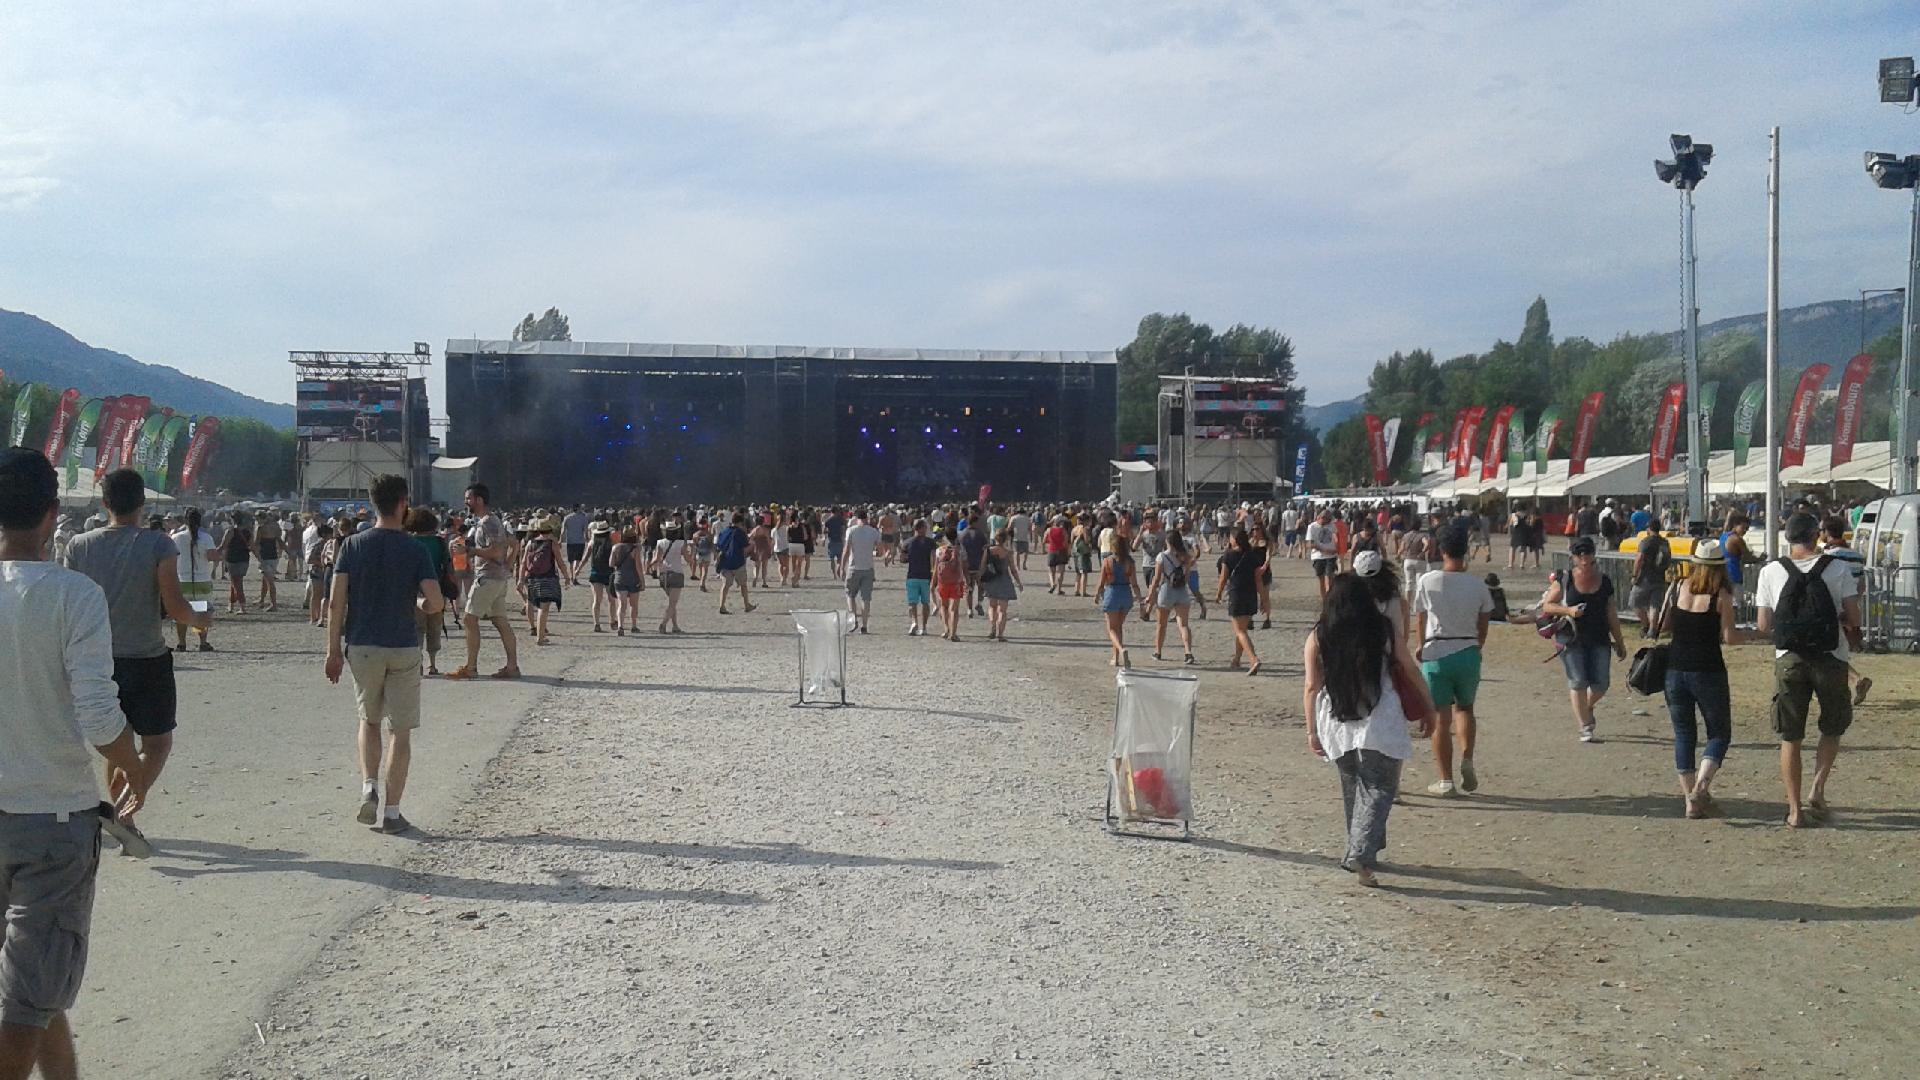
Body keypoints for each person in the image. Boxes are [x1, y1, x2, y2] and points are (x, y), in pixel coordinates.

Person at [0, 448, 155, 1079]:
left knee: (37, 987)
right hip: (52, 817)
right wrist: (131, 765)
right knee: (30, 995)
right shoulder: (73, 595)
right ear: (52, 515)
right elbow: (96, 711)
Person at [63, 468, 209, 850]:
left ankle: (119, 815)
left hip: (96, 659)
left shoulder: (78, 545)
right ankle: (125, 812)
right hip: (145, 657)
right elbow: (174, 606)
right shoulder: (158, 544)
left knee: (117, 742)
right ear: (142, 503)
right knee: (157, 743)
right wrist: (200, 619)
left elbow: (68, 603)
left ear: (104, 503)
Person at [324, 474, 444, 836]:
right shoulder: (415, 549)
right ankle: (392, 813)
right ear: (403, 503)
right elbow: (435, 602)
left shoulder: (351, 545)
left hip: (362, 644)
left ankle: (368, 787)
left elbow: (335, 603)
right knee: (400, 732)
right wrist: (420, 603)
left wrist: (332, 651)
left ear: (373, 503)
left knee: (369, 720)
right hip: (403, 645)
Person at [1302, 573, 1434, 888]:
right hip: (1379, 717)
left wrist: (1311, 731)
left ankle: (1361, 850)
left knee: (1354, 786)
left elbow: (1311, 686)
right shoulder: (1382, 629)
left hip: (1337, 719)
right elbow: (1410, 669)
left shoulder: (1319, 634)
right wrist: (1429, 706)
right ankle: (1361, 853)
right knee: (1379, 786)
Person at [1755, 513, 1863, 828]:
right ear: (1817, 535)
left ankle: (1794, 809)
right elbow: (1854, 618)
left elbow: (1763, 624)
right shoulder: (1838, 568)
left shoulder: (1770, 571)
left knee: (1791, 736)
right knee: (1832, 726)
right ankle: (1817, 788)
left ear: (1787, 537)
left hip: (1789, 658)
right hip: (1831, 656)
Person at [1654, 538, 1739, 819]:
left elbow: (1664, 626)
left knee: (1684, 735)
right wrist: (1759, 633)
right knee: (1719, 733)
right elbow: (1729, 637)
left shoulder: (1679, 586)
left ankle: (1689, 802)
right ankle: (1701, 787)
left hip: (1675, 668)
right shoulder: (1721, 595)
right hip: (1708, 669)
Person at [1412, 526, 1493, 797]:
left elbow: (1421, 618)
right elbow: (1484, 622)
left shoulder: (1427, 581)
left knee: (1440, 718)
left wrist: (1420, 644)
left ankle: (1445, 780)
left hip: (1437, 650)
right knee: (1466, 709)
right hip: (1467, 649)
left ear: (1441, 550)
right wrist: (1477, 646)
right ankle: (1467, 757)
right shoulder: (1478, 585)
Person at [1541, 536, 1627, 743]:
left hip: (1599, 638)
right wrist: (1568, 610)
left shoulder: (1604, 581)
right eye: (1579, 554)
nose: (1584, 557)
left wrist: (1620, 642)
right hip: (1571, 638)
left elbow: (1611, 614)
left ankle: (1586, 707)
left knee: (1601, 684)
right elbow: (1547, 606)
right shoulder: (1565, 579)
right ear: (1573, 557)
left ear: (1593, 554)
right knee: (1578, 680)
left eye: (1587, 553)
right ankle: (1585, 726)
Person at [447, 484, 521, 680]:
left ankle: (471, 667)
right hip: (496, 578)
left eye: (468, 498)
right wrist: (507, 566)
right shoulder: (488, 521)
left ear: (478, 500)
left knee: (469, 619)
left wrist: (470, 551)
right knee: (500, 621)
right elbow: (512, 544)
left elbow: (496, 551)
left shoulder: (488, 522)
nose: (466, 502)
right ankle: (512, 667)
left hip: (487, 578)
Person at [1820, 515, 1873, 705]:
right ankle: (1854, 681)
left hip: (1830, 607)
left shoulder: (1825, 557)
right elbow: (1861, 585)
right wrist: (1853, 604)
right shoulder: (1856, 556)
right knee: (1836, 650)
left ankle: (1855, 680)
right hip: (1850, 606)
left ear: (1826, 532)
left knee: (1826, 650)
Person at [1214, 526, 1263, 676]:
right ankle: (1237, 659)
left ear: (1234, 540)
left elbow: (1223, 577)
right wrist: (1264, 599)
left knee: (1240, 631)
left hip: (1236, 594)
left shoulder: (1228, 556)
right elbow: (1258, 580)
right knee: (1242, 630)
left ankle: (1253, 659)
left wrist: (1218, 593)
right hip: (1251, 595)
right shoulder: (1252, 555)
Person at [1146, 528, 1196, 664]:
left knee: (1161, 625)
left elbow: (1156, 579)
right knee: (1183, 625)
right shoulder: (1186, 557)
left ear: (1167, 541)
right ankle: (1188, 652)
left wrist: (1150, 595)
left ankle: (1158, 652)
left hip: (1166, 590)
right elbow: (1187, 578)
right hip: (1182, 591)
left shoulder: (1162, 556)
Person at [1096, 526, 1140, 668]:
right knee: (1119, 627)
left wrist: (1097, 594)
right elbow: (1134, 583)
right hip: (1126, 593)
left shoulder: (1107, 561)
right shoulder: (1130, 562)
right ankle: (1115, 658)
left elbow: (1101, 582)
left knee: (1112, 629)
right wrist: (1139, 598)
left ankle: (1121, 650)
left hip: (1112, 593)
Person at [1629, 518, 1672, 638]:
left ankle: (1646, 625)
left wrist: (1634, 575)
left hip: (1645, 578)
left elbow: (1639, 559)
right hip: (1660, 577)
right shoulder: (1664, 542)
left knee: (1634, 602)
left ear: (1648, 529)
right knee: (1654, 606)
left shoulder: (1646, 542)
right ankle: (1652, 631)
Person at [841, 508, 881, 635]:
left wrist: (841, 566)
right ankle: (864, 625)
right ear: (867, 518)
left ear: (856, 518)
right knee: (866, 598)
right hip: (868, 568)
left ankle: (853, 620)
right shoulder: (874, 532)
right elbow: (879, 551)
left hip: (854, 567)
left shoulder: (851, 530)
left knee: (850, 595)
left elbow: (846, 550)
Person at [979, 527, 1021, 642]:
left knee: (992, 606)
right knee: (1002, 610)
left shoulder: (988, 550)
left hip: (991, 580)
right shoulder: (1008, 552)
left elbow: (982, 566)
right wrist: (1018, 582)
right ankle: (1000, 634)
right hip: (1004, 581)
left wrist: (980, 580)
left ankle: (992, 628)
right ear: (1006, 539)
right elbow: (1013, 569)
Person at [650, 522, 693, 634]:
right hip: (676, 573)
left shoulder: (660, 542)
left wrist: (649, 566)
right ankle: (663, 624)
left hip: (663, 574)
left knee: (672, 603)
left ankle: (675, 626)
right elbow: (688, 559)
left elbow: (656, 559)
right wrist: (692, 556)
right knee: (672, 603)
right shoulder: (681, 543)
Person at [713, 512, 756, 615]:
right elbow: (745, 548)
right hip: (738, 562)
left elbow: (719, 546)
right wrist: (752, 544)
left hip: (725, 562)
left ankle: (722, 605)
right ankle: (746, 605)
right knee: (743, 584)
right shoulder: (740, 533)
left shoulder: (724, 531)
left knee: (725, 585)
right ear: (740, 522)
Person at [901, 518, 936, 637]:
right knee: (925, 602)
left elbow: (903, 559)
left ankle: (914, 622)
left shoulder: (907, 543)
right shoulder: (930, 543)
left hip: (912, 575)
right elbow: (933, 560)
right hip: (926, 576)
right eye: (925, 527)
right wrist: (934, 573)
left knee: (912, 602)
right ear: (922, 528)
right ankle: (924, 627)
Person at [214, 515, 253, 614]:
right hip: (244, 559)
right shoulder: (248, 532)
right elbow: (251, 546)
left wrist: (213, 553)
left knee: (236, 584)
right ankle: (231, 605)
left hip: (232, 559)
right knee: (235, 582)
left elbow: (223, 545)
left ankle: (242, 606)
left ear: (232, 520)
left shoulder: (231, 531)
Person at [933, 531, 967, 641]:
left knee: (943, 605)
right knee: (954, 609)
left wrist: (933, 582)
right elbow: (963, 566)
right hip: (956, 582)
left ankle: (946, 629)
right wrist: (966, 580)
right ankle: (953, 633)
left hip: (943, 582)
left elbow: (936, 567)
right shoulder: (960, 550)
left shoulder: (940, 550)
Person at [609, 528, 642, 634]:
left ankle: (620, 626)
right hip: (633, 579)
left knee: (621, 604)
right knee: (634, 604)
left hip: (620, 578)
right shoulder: (635, 549)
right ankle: (634, 626)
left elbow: (611, 564)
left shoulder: (615, 547)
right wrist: (642, 580)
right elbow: (638, 566)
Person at [584, 520, 614, 633]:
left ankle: (596, 623)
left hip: (595, 572)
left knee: (597, 600)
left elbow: (585, 558)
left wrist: (577, 570)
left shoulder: (592, 543)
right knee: (611, 599)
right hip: (609, 572)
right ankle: (612, 621)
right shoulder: (611, 543)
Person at [1306, 509, 1339, 600]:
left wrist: (1337, 545)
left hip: (1331, 556)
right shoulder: (1312, 527)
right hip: (1318, 556)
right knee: (1321, 580)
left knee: (1329, 578)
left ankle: (1329, 599)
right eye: (1327, 519)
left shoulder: (1332, 525)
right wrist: (1324, 550)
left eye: (1329, 520)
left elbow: (1336, 535)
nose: (1328, 522)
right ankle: (1324, 599)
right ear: (1320, 517)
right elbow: (1309, 544)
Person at [254, 511, 282, 611]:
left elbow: (256, 543)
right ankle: (262, 600)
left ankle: (273, 604)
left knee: (270, 582)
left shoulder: (261, 528)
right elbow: (280, 540)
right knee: (265, 580)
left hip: (264, 556)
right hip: (274, 556)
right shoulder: (276, 526)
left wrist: (257, 555)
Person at [561, 505, 589, 584]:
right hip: (580, 542)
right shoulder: (584, 518)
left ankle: (572, 576)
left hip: (570, 542)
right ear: (578, 509)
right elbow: (585, 531)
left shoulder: (567, 517)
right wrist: (587, 539)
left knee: (571, 561)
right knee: (577, 559)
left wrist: (560, 540)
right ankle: (574, 577)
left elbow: (563, 530)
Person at [1044, 515, 1070, 594]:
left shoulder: (1049, 530)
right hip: (1061, 551)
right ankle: (1059, 589)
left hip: (1052, 550)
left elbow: (1044, 540)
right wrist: (1068, 552)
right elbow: (1066, 543)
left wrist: (1050, 542)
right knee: (1060, 572)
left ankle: (1052, 584)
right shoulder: (1064, 531)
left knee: (1051, 571)